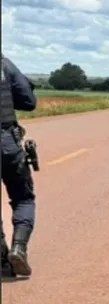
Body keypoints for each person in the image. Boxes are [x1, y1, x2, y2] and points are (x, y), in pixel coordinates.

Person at [0, 51, 38, 278]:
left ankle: (1, 257)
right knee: (23, 198)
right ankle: (19, 248)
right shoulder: (4, 64)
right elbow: (29, 102)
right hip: (7, 143)